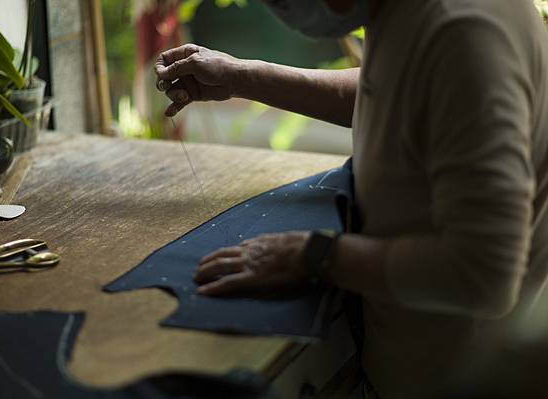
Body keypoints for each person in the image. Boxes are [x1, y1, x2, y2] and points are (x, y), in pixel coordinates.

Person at [155, 0, 548, 397]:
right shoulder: (412, 14)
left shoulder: (467, 31)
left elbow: (483, 272)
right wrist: (244, 77)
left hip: (458, 380)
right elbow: (401, 89)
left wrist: (315, 255)